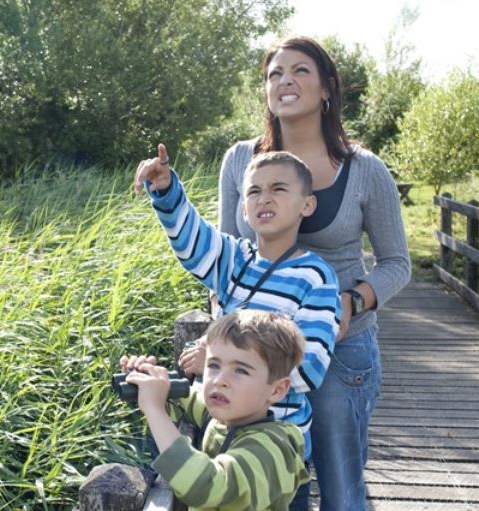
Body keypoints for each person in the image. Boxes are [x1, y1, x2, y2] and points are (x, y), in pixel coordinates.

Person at [216, 36, 412, 510]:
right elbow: (224, 261)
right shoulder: (240, 161)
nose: (285, 81)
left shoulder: (365, 170)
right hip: (257, 362)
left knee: (342, 492)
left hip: (343, 351)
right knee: (275, 491)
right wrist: (216, 342)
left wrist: (353, 301)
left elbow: (397, 264)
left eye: (300, 71)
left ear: (326, 88)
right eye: (274, 74)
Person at [133, 147, 341, 508]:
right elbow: (193, 242)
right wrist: (167, 191)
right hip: (225, 425)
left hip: (273, 442)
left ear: (306, 205)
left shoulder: (316, 276)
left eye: (279, 189)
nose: (265, 198)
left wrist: (216, 358)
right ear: (243, 208)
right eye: (254, 191)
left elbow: (310, 367)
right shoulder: (236, 259)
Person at [120, 310, 310, 510]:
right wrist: (151, 380)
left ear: (277, 389)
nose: (220, 380)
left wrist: (155, 410)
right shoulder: (224, 419)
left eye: (241, 370)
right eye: (213, 365)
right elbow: (184, 401)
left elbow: (204, 486)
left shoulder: (272, 449)